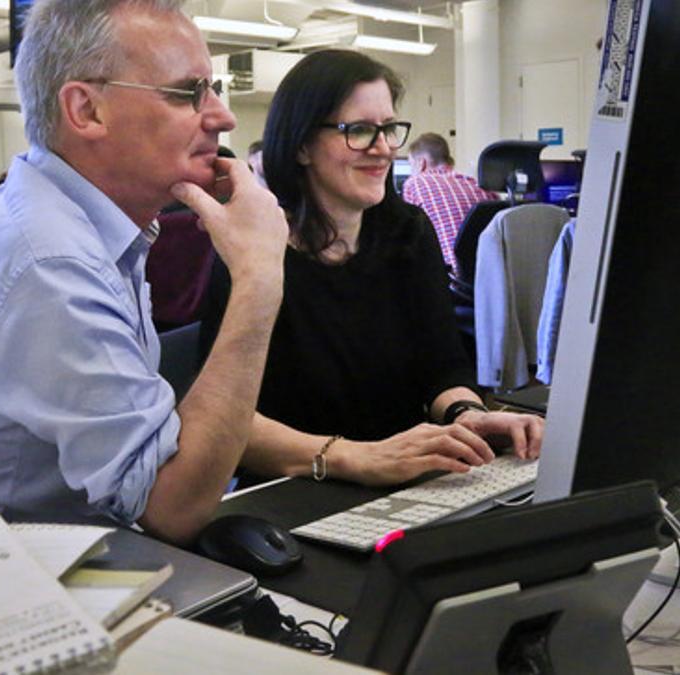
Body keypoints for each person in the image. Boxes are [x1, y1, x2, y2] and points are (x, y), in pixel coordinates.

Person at [0, 0, 288, 545]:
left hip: (66, 555)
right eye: (187, 92)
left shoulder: (93, 225)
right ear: (86, 111)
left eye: (214, 88)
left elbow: (155, 438)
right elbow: (172, 507)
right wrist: (259, 277)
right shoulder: (48, 260)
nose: (222, 116)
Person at [202, 50, 542, 487]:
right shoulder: (251, 252)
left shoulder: (409, 233)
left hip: (406, 476)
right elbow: (227, 421)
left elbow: (442, 366)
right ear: (302, 145)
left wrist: (467, 415)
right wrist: (359, 458)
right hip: (295, 489)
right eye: (359, 131)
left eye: (388, 129)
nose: (383, 149)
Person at [401, 132, 494, 276]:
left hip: (449, 278)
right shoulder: (478, 185)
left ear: (421, 163)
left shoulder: (415, 183)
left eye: (411, 164)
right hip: (488, 278)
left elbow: (407, 239)